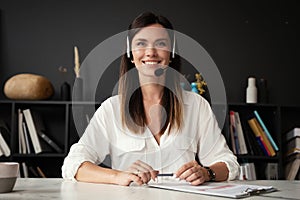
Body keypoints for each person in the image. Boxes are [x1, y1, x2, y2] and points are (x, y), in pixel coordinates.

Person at [62, 11, 239, 186]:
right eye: (141, 43)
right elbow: (72, 165)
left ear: (171, 53)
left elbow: (229, 164)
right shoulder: (111, 109)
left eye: (161, 43)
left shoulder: (196, 105)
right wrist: (118, 176)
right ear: (131, 53)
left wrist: (207, 172)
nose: (151, 52)